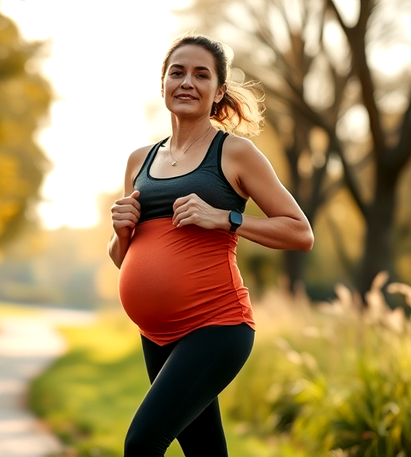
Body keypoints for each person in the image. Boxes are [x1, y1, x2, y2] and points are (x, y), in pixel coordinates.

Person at [108, 33, 314, 457]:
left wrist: (225, 218)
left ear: (218, 90)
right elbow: (120, 257)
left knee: (143, 442)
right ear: (163, 83)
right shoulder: (139, 160)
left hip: (216, 326)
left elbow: (300, 231)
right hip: (156, 333)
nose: (187, 82)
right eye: (177, 72)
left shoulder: (235, 153)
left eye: (201, 75)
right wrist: (123, 232)